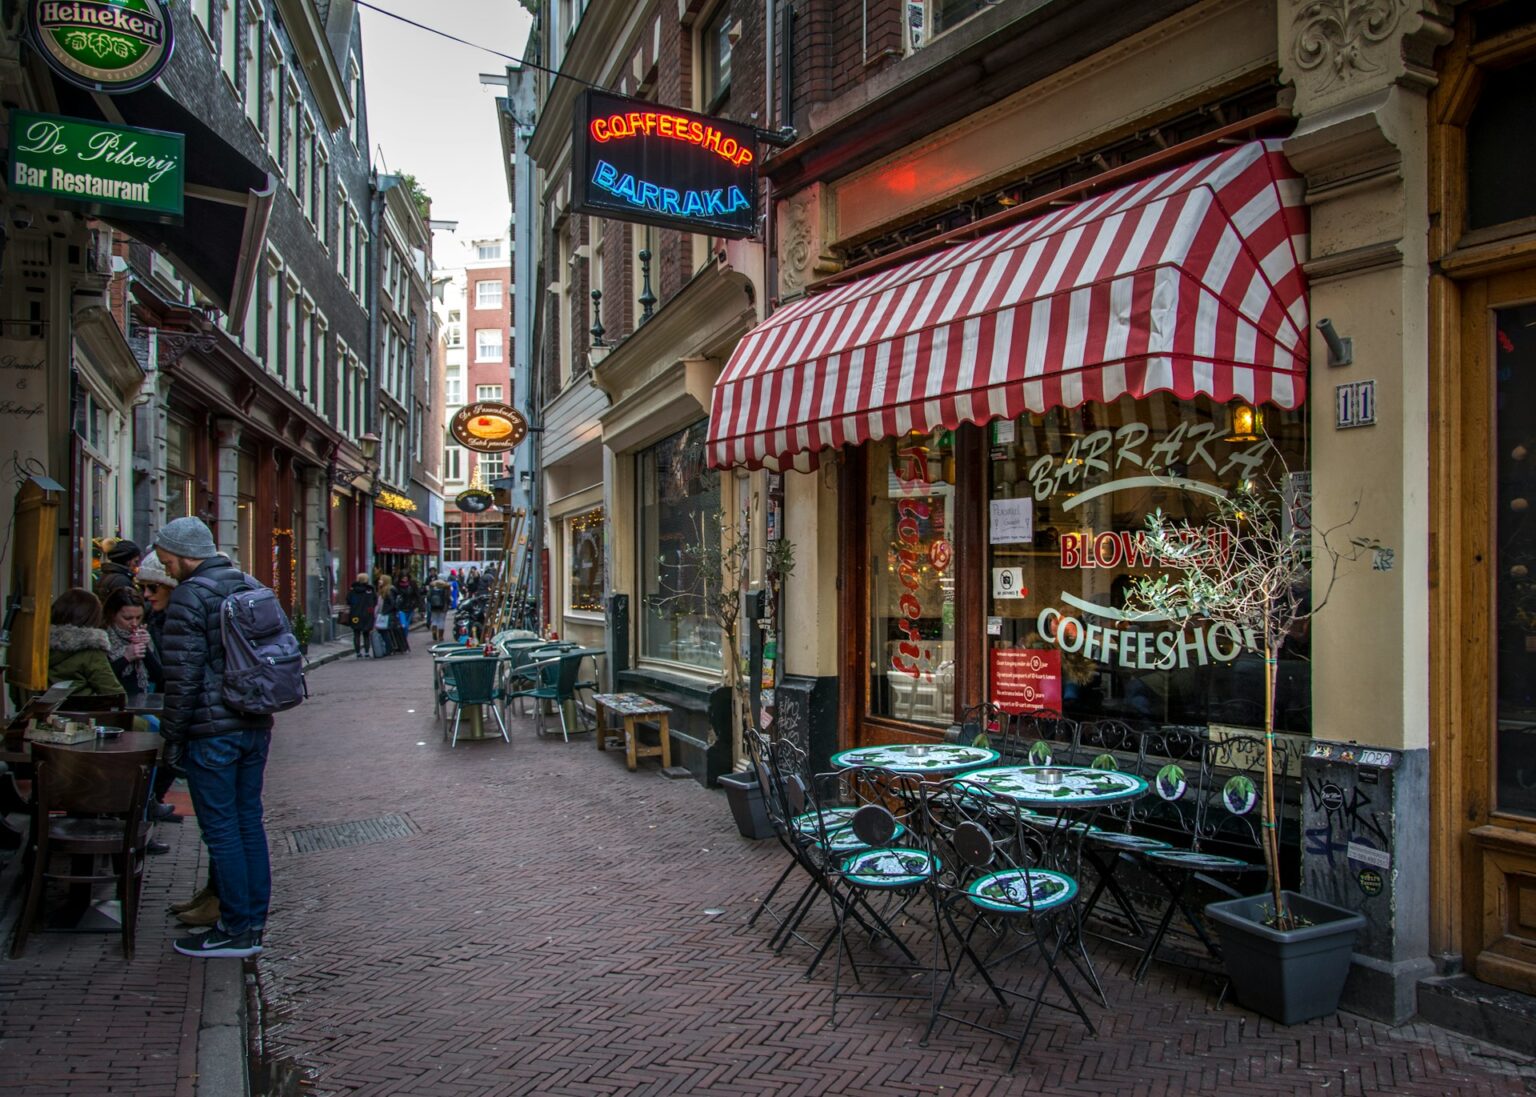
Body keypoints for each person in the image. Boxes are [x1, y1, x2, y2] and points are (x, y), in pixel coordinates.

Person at [155, 516, 273, 960]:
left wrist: (172, 737)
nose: (166, 570)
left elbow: (181, 677)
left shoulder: (190, 595)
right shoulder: (248, 584)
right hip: (254, 723)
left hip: (212, 730)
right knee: (248, 823)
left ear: (186, 556)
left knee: (221, 829)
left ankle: (235, 929)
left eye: (168, 561)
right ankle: (252, 922)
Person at [48, 588, 127, 698]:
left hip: (43, 711)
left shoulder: (38, 647)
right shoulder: (91, 651)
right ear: (92, 617)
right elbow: (115, 695)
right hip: (83, 712)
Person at [103, 588, 163, 696]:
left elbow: (159, 677)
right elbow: (102, 678)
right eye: (127, 618)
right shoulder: (103, 639)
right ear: (112, 615)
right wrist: (126, 657)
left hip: (144, 701)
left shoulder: (145, 634)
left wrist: (145, 649)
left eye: (139, 617)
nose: (134, 623)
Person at [345, 573, 375, 657]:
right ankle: (367, 652)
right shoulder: (370, 590)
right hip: (367, 614)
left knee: (356, 633)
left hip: (355, 614)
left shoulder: (353, 590)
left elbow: (348, 600)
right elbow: (374, 601)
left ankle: (358, 652)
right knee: (366, 634)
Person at [375, 574, 398, 656]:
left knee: (384, 631)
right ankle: (389, 648)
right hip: (384, 614)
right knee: (383, 631)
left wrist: (385, 612)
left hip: (387, 615)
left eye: (381, 579)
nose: (379, 581)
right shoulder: (383, 590)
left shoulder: (389, 591)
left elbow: (392, 604)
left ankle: (389, 649)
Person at [426, 573, 451, 642]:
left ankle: (434, 631)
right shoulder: (446, 586)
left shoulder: (432, 585)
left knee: (434, 619)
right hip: (443, 606)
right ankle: (440, 636)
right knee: (441, 620)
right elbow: (447, 597)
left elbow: (428, 596)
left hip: (433, 606)